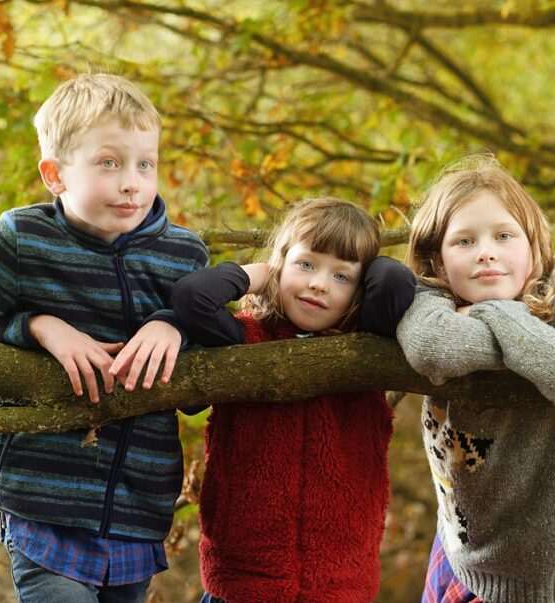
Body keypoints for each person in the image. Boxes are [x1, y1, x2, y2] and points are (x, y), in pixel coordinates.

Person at [0, 72, 209, 603]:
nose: (132, 181)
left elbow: (210, 368)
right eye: (110, 163)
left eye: (144, 164)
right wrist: (39, 327)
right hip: (43, 500)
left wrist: (172, 323)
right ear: (55, 174)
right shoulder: (16, 241)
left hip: (138, 503)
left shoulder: (184, 257)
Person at [397, 154, 555, 603]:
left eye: (504, 235)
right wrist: (534, 340)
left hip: (554, 562)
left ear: (536, 248)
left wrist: (498, 312)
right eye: (463, 240)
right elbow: (433, 346)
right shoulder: (428, 294)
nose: (486, 251)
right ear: (438, 261)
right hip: (461, 547)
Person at [164, 196, 416, 603]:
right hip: (243, 581)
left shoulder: (366, 348)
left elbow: (395, 284)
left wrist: (370, 265)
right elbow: (193, 298)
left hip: (338, 585)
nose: (318, 283)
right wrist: (261, 274)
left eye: (342, 276)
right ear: (280, 263)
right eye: (306, 265)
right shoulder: (245, 339)